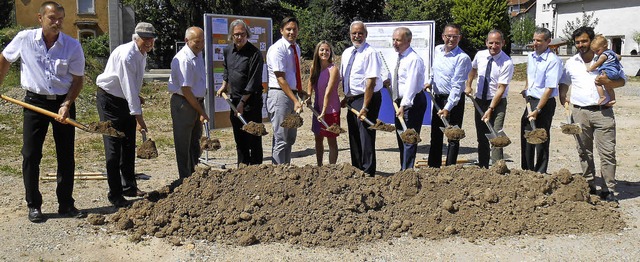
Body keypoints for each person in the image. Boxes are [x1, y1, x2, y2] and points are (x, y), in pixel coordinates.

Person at [0, 1, 86, 222]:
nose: (57, 23)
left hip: (63, 102)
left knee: (66, 155)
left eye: (60, 19)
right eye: (52, 18)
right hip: (34, 103)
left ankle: (66, 203)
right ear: (40, 19)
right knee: (30, 154)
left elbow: (77, 80)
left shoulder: (72, 46)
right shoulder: (25, 39)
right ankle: (33, 205)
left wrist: (66, 105)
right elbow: (5, 58)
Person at [559, 26, 626, 202]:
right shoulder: (571, 62)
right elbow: (564, 82)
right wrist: (562, 94)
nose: (581, 45)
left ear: (591, 40)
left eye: (584, 41)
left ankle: (608, 189)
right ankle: (588, 184)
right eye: (578, 42)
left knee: (607, 152)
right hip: (579, 112)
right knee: (583, 151)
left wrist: (607, 81)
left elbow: (622, 81)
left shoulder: (606, 58)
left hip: (603, 113)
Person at [95, 22, 156, 207]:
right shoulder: (126, 55)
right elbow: (128, 86)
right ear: (135, 37)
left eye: (151, 39)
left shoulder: (142, 53)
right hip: (109, 101)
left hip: (124, 99)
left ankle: (128, 186)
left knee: (128, 144)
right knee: (113, 147)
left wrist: (136, 99)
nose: (148, 43)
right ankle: (115, 194)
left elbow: (131, 85)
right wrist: (139, 118)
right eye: (145, 39)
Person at [217, 19, 264, 166]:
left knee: (254, 137)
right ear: (232, 35)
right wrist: (224, 85)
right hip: (235, 100)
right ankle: (242, 168)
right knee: (240, 138)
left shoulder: (255, 54)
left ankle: (256, 169)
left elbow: (253, 81)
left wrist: (243, 102)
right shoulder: (227, 51)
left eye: (242, 34)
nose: (239, 37)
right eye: (236, 34)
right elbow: (226, 69)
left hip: (252, 102)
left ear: (247, 34)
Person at [465, 29, 514, 168]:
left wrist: (491, 108)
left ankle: (498, 169)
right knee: (481, 137)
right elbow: (472, 69)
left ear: (503, 43)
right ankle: (483, 167)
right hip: (480, 101)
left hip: (497, 102)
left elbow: (501, 89)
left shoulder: (506, 62)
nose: (493, 46)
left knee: (496, 136)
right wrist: (468, 85)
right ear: (486, 42)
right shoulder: (480, 55)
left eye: (497, 43)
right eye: (491, 43)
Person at [424, 23, 471, 168]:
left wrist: (448, 107)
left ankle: (450, 168)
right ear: (443, 36)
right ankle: (433, 167)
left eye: (454, 37)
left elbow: (457, 86)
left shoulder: (462, 58)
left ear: (459, 38)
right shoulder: (437, 50)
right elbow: (434, 70)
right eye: (448, 36)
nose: (451, 39)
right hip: (438, 98)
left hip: (454, 101)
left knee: (453, 136)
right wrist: (430, 82)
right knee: (436, 135)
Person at [340, 21, 384, 176]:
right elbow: (345, 77)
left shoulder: (370, 53)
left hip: (367, 98)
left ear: (366, 34)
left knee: (365, 136)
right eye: (354, 33)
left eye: (360, 33)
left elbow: (371, 82)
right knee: (354, 135)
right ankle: (357, 169)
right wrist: (346, 97)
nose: (357, 36)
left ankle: (368, 172)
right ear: (350, 34)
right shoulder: (347, 53)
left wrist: (365, 106)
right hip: (352, 99)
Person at [520, 27, 562, 174]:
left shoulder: (553, 61)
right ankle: (527, 170)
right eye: (534, 40)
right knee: (527, 134)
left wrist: (538, 109)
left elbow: (549, 88)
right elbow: (529, 75)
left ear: (548, 42)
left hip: (544, 103)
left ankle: (540, 171)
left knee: (541, 137)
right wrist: (526, 88)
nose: (535, 43)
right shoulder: (531, 56)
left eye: (539, 40)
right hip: (530, 100)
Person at [168, 27, 208, 178]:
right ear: (187, 41)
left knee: (195, 141)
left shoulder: (197, 54)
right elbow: (186, 90)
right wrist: (202, 112)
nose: (200, 45)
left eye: (202, 41)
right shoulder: (184, 59)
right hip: (184, 103)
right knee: (183, 143)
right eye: (197, 42)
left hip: (196, 101)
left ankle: (194, 173)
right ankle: (185, 178)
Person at [265, 17, 303, 165]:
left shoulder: (295, 48)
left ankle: (286, 168)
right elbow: (280, 78)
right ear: (281, 30)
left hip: (291, 94)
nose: (292, 32)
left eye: (294, 29)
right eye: (288, 29)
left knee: (290, 137)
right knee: (281, 137)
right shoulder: (277, 49)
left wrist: (299, 92)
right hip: (280, 96)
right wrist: (295, 100)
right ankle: (278, 173)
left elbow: (294, 73)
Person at [388, 27, 427, 170]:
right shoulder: (397, 57)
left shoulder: (414, 59)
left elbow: (411, 84)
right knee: (401, 136)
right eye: (393, 40)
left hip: (412, 102)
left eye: (398, 40)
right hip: (399, 102)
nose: (395, 43)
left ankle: (408, 171)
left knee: (409, 137)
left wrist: (404, 105)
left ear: (408, 41)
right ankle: (403, 168)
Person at [306, 40, 340, 166]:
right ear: (317, 52)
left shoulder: (333, 69)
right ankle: (319, 166)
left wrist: (324, 111)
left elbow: (328, 92)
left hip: (331, 110)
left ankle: (331, 169)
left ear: (330, 52)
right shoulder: (314, 68)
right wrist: (308, 96)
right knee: (318, 139)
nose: (324, 52)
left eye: (327, 50)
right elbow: (310, 82)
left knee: (331, 140)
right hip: (318, 109)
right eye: (322, 50)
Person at [587, 34, 623, 106]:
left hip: (607, 72)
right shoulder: (611, 52)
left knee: (597, 82)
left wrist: (590, 69)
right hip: (615, 72)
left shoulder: (603, 55)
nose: (596, 53)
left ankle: (602, 96)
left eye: (597, 50)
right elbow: (619, 57)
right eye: (594, 51)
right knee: (608, 86)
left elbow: (597, 64)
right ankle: (612, 99)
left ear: (605, 46)